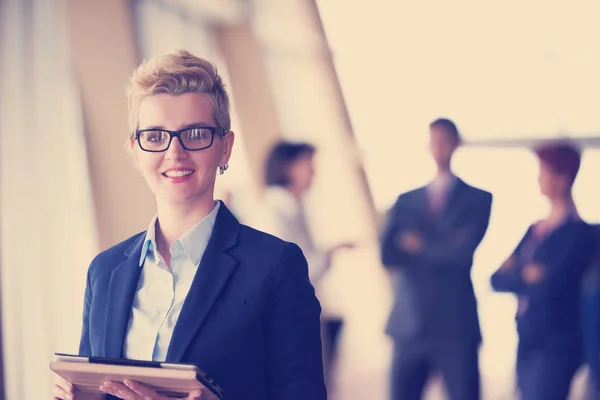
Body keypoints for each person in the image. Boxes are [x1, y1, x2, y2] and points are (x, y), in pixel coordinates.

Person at [53, 50, 327, 400]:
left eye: (195, 134)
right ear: (136, 150)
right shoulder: (104, 271)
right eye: (155, 137)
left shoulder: (275, 266)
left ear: (225, 148)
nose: (174, 153)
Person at [380, 118, 492, 400]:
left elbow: (461, 253)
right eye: (434, 141)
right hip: (410, 324)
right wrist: (443, 244)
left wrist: (417, 245)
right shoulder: (405, 200)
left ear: (456, 143)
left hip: (456, 323)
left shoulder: (479, 199)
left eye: (444, 141)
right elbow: (388, 254)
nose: (439, 148)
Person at [491, 142, 596, 400]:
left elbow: (553, 285)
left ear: (562, 178)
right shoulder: (535, 230)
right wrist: (528, 274)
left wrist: (519, 271)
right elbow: (497, 279)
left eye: (544, 171)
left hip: (557, 342)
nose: (539, 177)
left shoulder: (580, 233)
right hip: (527, 335)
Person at [254, 141, 353, 383]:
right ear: (288, 167)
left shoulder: (290, 208)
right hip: (290, 323)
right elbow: (297, 271)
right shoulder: (273, 213)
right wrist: (330, 253)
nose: (313, 172)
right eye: (308, 164)